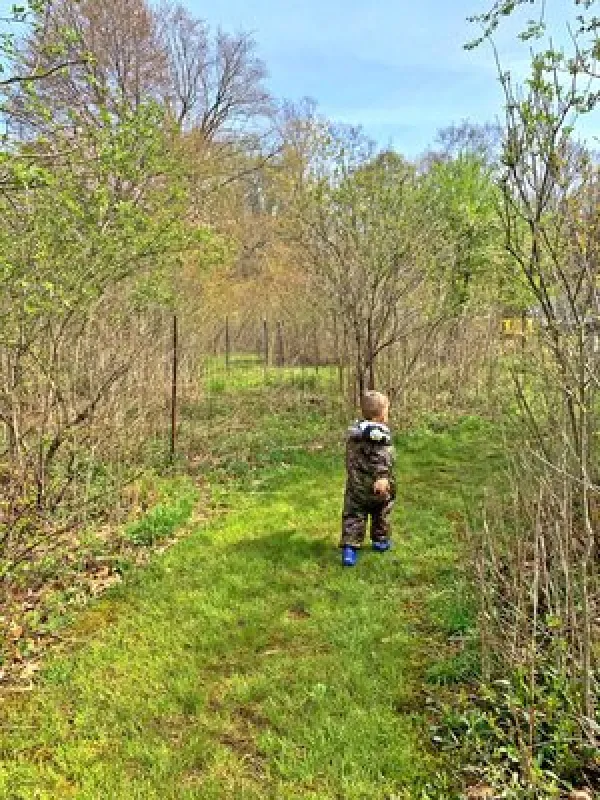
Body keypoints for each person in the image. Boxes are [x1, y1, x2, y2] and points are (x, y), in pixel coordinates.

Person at [340, 390, 395, 567]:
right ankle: (380, 540)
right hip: (376, 486)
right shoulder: (379, 437)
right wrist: (383, 476)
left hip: (355, 487)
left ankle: (350, 547)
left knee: (354, 515)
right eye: (387, 411)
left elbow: (353, 458)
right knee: (382, 512)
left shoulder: (356, 432)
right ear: (380, 416)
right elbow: (382, 458)